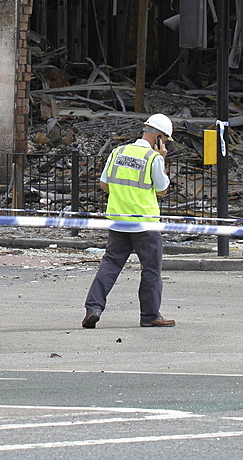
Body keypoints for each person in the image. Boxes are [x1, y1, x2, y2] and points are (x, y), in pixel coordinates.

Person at [82, 113, 175, 329]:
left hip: (118, 221)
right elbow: (162, 190)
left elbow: (104, 184)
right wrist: (162, 158)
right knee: (151, 269)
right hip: (145, 224)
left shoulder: (118, 152)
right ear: (159, 137)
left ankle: (93, 308)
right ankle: (150, 315)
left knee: (110, 265)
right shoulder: (153, 158)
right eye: (165, 140)